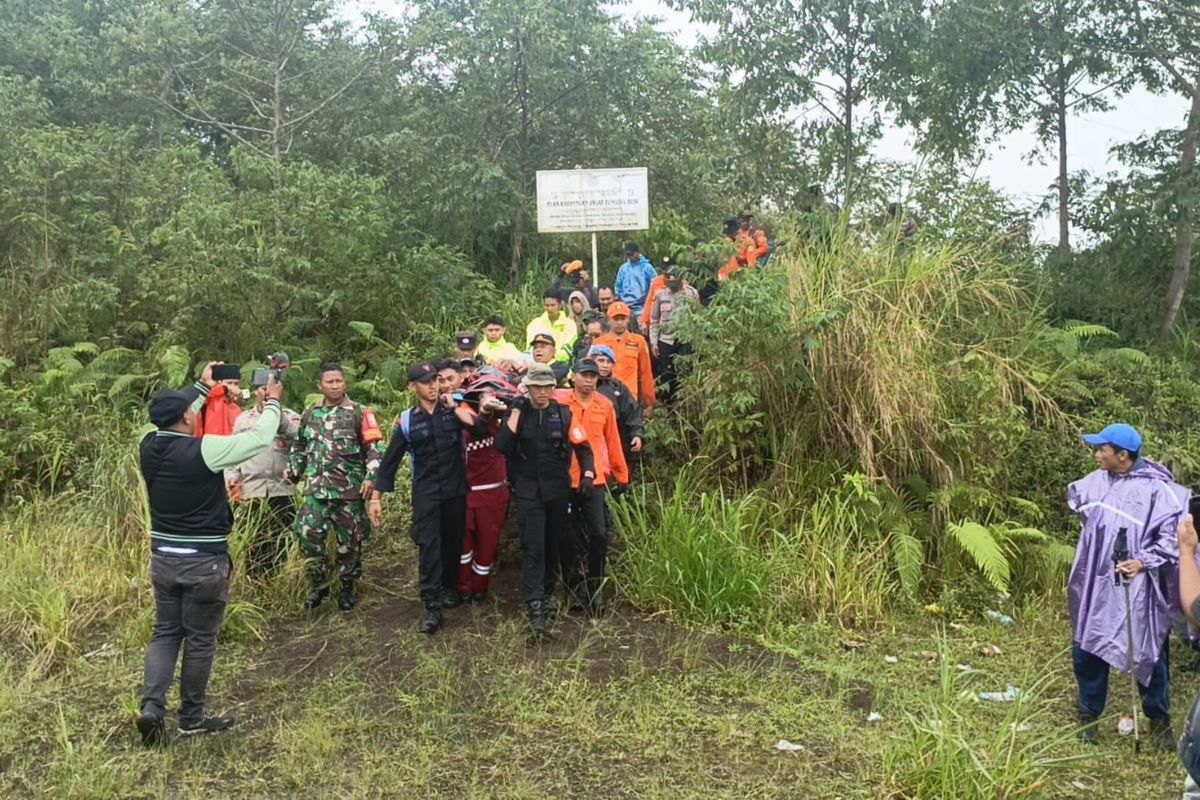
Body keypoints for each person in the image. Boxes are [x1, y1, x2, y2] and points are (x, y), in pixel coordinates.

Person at [135, 363, 284, 747]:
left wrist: (204, 386)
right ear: (187, 416)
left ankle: (152, 709)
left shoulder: (148, 446)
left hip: (163, 557)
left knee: (166, 632)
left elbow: (182, 409)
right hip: (204, 560)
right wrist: (272, 403)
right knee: (200, 639)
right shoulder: (205, 450)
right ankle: (191, 718)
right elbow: (261, 437)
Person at [1068, 423, 1187, 747]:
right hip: (1095, 582)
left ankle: (1159, 721)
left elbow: (1172, 538)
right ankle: (1087, 717)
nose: (1097, 454)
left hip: (1139, 586)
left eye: (1102, 449)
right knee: (1088, 646)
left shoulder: (1158, 491)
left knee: (1148, 649)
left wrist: (1142, 561)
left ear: (1122, 455)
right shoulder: (1094, 483)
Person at [372, 362, 493, 634]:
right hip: (426, 492)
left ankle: (449, 588)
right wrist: (376, 498)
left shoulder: (454, 409)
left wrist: (456, 409)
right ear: (412, 387)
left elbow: (481, 430)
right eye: (426, 382)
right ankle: (431, 604)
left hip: (455, 490)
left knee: (452, 542)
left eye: (435, 381)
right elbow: (389, 462)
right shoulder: (406, 421)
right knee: (428, 545)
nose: (432, 386)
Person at [494, 363, 595, 636]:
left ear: (554, 388)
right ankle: (535, 604)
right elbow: (502, 446)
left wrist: (587, 475)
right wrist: (515, 409)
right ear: (528, 388)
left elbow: (584, 448)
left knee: (552, 545)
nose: (542, 392)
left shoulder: (563, 414)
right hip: (528, 491)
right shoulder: (519, 414)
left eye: (547, 386)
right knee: (533, 545)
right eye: (536, 387)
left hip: (557, 490)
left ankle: (547, 594)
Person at [288, 363, 386, 613]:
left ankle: (346, 588)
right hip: (315, 492)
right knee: (307, 536)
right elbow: (299, 446)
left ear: (345, 383)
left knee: (350, 543)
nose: (334, 386)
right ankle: (318, 586)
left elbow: (375, 448)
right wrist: (293, 470)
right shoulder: (310, 414)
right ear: (319, 385)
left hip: (348, 493)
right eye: (329, 382)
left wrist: (370, 477)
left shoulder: (359, 412)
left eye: (338, 381)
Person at [555, 358, 628, 616]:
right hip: (565, 479)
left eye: (592, 376)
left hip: (594, 479)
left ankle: (596, 591)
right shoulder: (560, 401)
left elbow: (613, 440)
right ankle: (573, 591)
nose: (588, 380)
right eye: (584, 375)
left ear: (598, 379)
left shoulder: (605, 405)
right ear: (574, 377)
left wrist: (621, 474)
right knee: (569, 539)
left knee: (598, 534)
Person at [225, 370, 301, 574]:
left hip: (283, 491)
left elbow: (301, 440)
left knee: (283, 539)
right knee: (254, 543)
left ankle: (283, 580)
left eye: (272, 389)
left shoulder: (292, 417)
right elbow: (233, 452)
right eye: (262, 388)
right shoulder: (243, 420)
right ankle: (256, 583)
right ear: (255, 391)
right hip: (253, 492)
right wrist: (232, 479)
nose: (267, 393)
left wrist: (279, 416)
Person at [456, 374, 511, 603]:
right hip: (465, 494)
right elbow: (477, 424)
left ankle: (480, 587)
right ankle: (463, 586)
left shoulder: (503, 424)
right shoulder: (459, 415)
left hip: (494, 493)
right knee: (463, 546)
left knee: (488, 545)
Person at [648, 263, 700, 401]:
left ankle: (685, 402)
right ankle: (667, 403)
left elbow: (698, 318)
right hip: (666, 339)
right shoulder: (660, 295)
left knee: (685, 372)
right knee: (666, 373)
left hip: (685, 339)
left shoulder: (691, 293)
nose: (671, 284)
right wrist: (653, 342)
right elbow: (654, 320)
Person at [593, 301, 656, 410]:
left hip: (629, 398)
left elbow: (645, 373)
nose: (619, 322)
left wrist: (649, 403)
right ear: (608, 320)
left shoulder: (639, 341)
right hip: (603, 397)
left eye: (622, 318)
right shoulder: (598, 343)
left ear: (628, 319)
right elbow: (590, 373)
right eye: (616, 319)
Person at [590, 345, 644, 467]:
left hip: (614, 436)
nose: (605, 365)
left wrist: (637, 434)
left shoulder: (618, 387)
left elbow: (632, 412)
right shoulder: (582, 383)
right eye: (601, 361)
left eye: (609, 362)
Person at [525, 289, 578, 363]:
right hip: (537, 365)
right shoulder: (534, 324)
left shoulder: (570, 324)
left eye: (553, 305)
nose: (550, 309)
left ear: (560, 305)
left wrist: (551, 360)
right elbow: (530, 349)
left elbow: (568, 349)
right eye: (547, 305)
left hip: (561, 365)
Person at [614, 243, 656, 331]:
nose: (630, 257)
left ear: (637, 253)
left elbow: (654, 287)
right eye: (628, 255)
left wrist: (649, 305)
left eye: (632, 254)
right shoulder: (623, 268)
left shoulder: (647, 268)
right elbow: (618, 287)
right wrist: (620, 301)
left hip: (642, 308)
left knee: (642, 333)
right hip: (626, 307)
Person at [194, 364, 244, 437]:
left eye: (236, 384)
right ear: (217, 383)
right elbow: (207, 393)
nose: (233, 387)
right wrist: (225, 390)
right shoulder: (207, 399)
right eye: (229, 383)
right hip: (206, 444)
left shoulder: (236, 408)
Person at [638, 257, 670, 335]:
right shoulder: (657, 282)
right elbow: (649, 302)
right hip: (657, 322)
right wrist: (644, 321)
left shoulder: (683, 283)